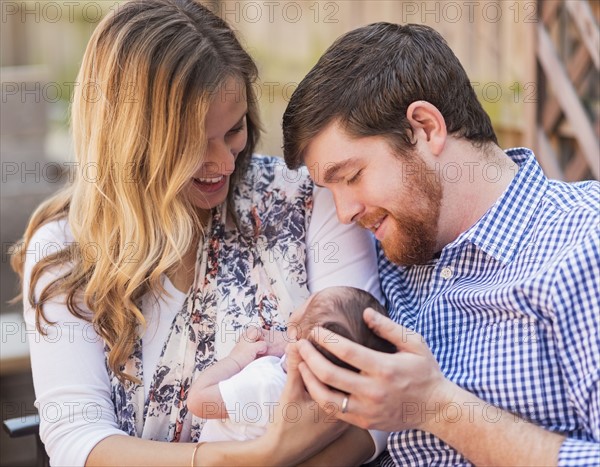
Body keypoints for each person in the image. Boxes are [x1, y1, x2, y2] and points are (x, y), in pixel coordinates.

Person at [11, 1, 386, 465]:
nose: (225, 163)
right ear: (129, 141)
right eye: (192, 145)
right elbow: (79, 442)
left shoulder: (308, 200)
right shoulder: (67, 252)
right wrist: (259, 456)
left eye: (233, 131)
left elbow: (371, 403)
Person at [282, 22, 599, 467]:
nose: (343, 213)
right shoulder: (379, 256)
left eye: (352, 177)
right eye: (330, 190)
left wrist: (434, 406)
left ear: (426, 128)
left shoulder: (584, 246)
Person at [188, 286, 394, 456]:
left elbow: (199, 401)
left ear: (296, 331)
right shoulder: (319, 404)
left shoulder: (266, 384)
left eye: (311, 301)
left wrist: (236, 359)